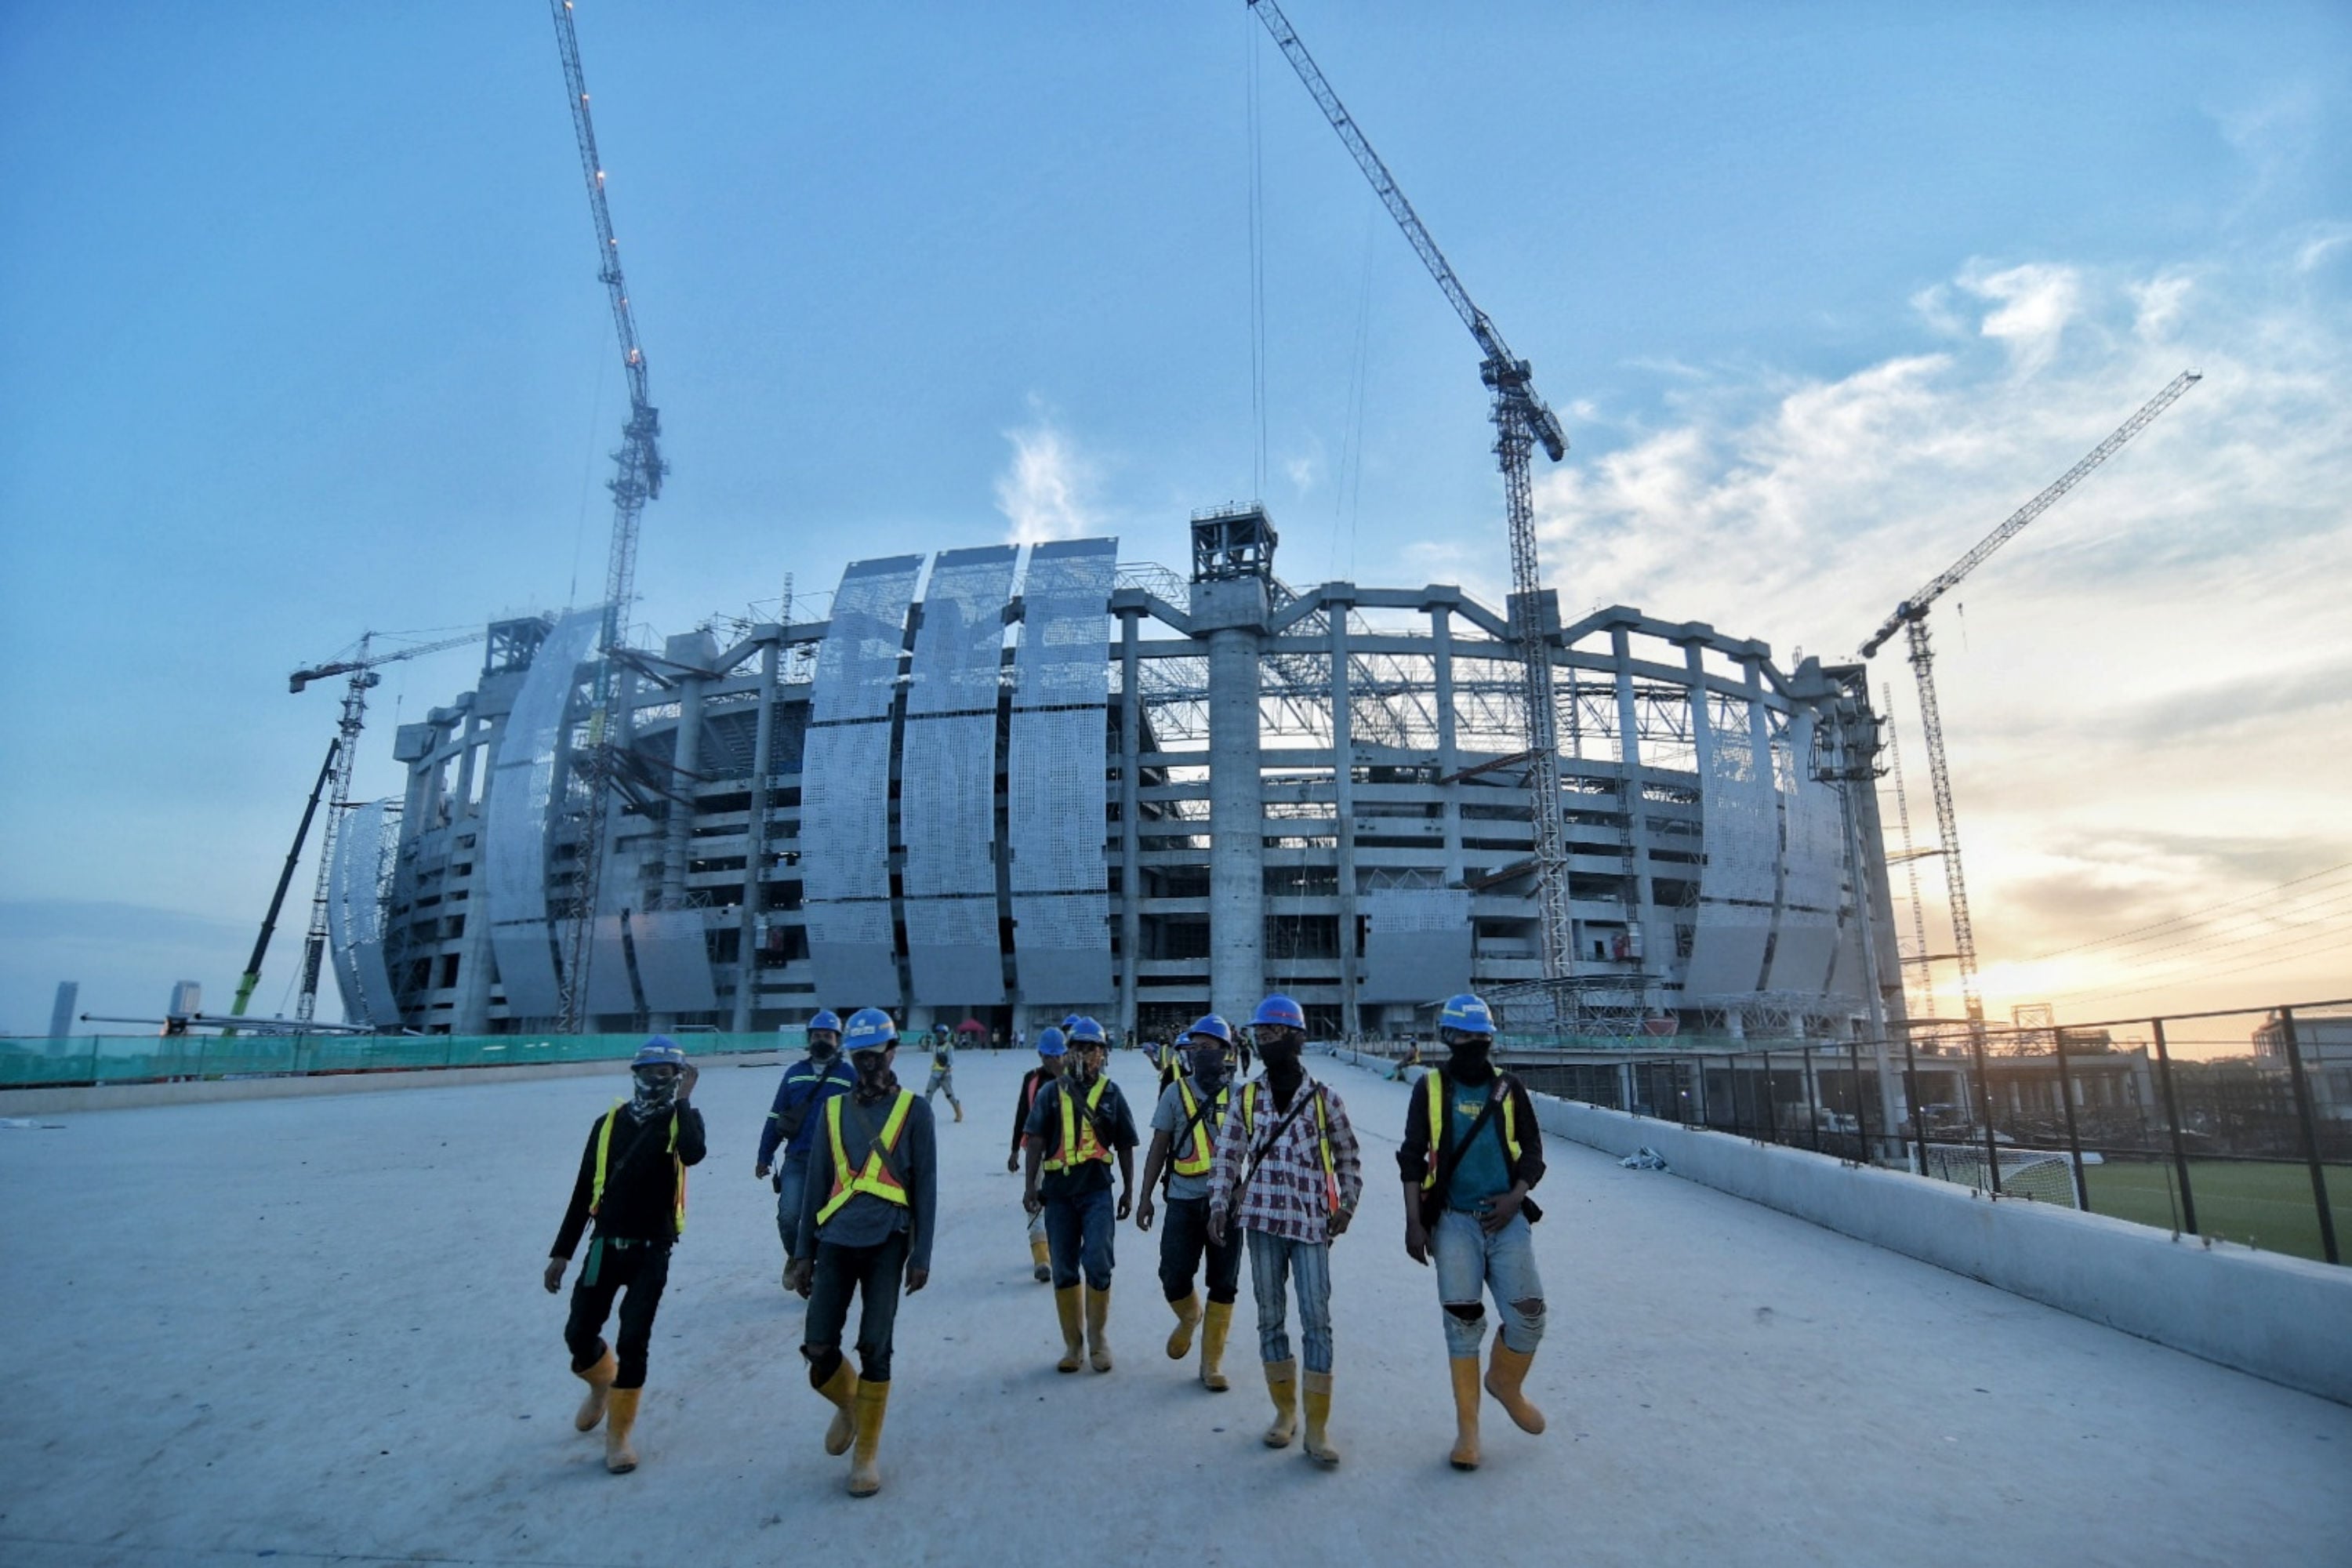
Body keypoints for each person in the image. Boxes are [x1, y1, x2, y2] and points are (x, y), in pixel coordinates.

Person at [784, 1007, 936, 1497]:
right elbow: (815, 1186)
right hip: (834, 1240)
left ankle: (866, 1455)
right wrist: (803, 1251)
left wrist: (922, 1253)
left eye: (876, 1055)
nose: (868, 1064)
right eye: (860, 1056)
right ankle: (850, 1405)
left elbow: (926, 1185)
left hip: (888, 1240)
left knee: (875, 1344)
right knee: (819, 1347)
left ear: (893, 1052)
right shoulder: (832, 1109)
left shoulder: (916, 1110)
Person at [1207, 995, 1361, 1469]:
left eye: (1273, 1034)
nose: (1265, 1041)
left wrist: (1348, 1203)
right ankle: (1285, 1413)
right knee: (1270, 1317)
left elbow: (1347, 1156)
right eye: (1260, 1035)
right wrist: (1218, 1202)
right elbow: (1228, 1155)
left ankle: (1317, 1427)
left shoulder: (1323, 1099)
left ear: (1296, 1038)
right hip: (1261, 1221)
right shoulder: (1246, 1097)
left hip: (1312, 1222)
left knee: (1317, 1318)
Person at [1398, 993, 1548, 1471]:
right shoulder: (1430, 1089)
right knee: (1462, 1324)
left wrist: (1515, 1197)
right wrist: (1414, 1223)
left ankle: (1505, 1383)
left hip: (1507, 1221)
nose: (1472, 1044)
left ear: (1489, 1039)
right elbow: (1411, 1157)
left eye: (1480, 1036)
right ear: (1447, 1039)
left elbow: (1533, 1152)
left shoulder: (1510, 1088)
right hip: (1454, 1222)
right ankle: (1468, 1432)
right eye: (1463, 1036)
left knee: (1529, 1316)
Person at [543, 1039, 707, 1475]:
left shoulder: (682, 1120)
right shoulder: (607, 1124)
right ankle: (601, 1384)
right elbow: (583, 1191)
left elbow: (693, 1153)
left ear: (679, 1077)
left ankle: (618, 1436)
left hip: (653, 1249)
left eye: (667, 1073)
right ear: (635, 1073)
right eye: (650, 1071)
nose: (657, 1080)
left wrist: (685, 1103)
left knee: (634, 1339)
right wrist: (562, 1252)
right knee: (579, 1332)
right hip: (604, 1245)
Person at [1022, 1015, 1138, 1374]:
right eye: (1076, 1047)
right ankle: (1073, 1345)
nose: (1083, 1054)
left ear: (1103, 1054)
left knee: (1099, 1260)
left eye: (1091, 1048)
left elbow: (1125, 1144)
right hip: (1058, 1194)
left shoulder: (1112, 1093)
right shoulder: (1048, 1093)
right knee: (1065, 1266)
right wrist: (1030, 1187)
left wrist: (1129, 1191)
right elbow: (1036, 1140)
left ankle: (1098, 1337)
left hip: (1097, 1190)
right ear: (1066, 1052)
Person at [1134, 1014, 1240, 1392]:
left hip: (1227, 1204)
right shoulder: (1175, 1093)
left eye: (1208, 1048)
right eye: (1195, 1048)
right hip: (1182, 1198)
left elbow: (1257, 1151)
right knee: (1173, 1274)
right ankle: (1189, 1315)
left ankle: (1211, 1363)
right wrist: (1145, 1197)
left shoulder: (1241, 1095)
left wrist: (1242, 1196)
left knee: (1224, 1283)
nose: (1200, 1054)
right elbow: (1159, 1146)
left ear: (1226, 1052)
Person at [755, 1011, 857, 1289]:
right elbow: (777, 1116)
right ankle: (797, 1257)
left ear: (838, 1040)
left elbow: (864, 1121)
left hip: (836, 1162)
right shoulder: (794, 1074)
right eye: (817, 1036)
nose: (822, 1040)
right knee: (789, 1216)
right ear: (809, 1039)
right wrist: (765, 1155)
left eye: (828, 1036)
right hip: (797, 1159)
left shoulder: (849, 1075)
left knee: (830, 1218)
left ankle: (821, 1269)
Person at [1008, 1026, 1068, 1283]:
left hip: (1068, 1154)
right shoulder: (1030, 1079)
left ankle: (1057, 1249)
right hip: (1036, 1151)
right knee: (1033, 1201)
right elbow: (1022, 1113)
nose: (1051, 1061)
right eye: (1046, 1057)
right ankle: (1041, 1256)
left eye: (1055, 1056)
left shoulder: (1076, 1080)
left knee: (1061, 1204)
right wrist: (1013, 1151)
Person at [922, 1022, 963, 1123]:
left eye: (940, 1033)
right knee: (928, 1094)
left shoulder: (949, 1047)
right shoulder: (935, 1046)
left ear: (945, 1034)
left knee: (949, 1095)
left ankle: (958, 1112)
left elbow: (951, 1062)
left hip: (945, 1075)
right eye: (937, 1033)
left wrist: (945, 1072)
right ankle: (924, 1115)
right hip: (934, 1074)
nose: (938, 1035)